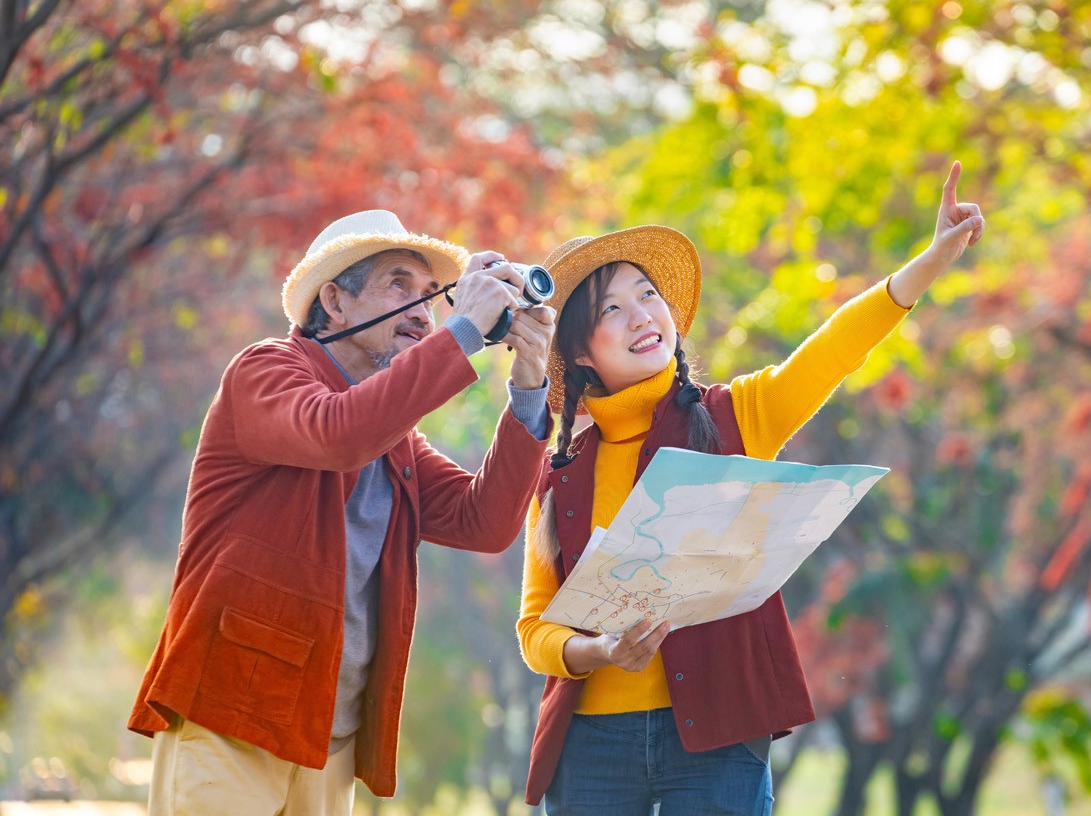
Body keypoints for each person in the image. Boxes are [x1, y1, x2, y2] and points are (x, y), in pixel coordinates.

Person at [516, 163, 985, 813]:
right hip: (590, 746)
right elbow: (534, 626)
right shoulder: (560, 469)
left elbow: (833, 351)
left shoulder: (737, 415)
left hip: (719, 735)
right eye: (611, 310)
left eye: (647, 294)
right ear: (583, 352)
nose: (641, 315)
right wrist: (597, 649)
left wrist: (931, 261)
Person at [129, 209, 557, 814]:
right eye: (398, 286)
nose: (421, 311)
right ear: (334, 301)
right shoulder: (265, 369)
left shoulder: (395, 439)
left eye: (432, 296)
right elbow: (338, 434)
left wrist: (532, 385)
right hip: (230, 714)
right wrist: (462, 331)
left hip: (332, 738)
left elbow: (482, 523)